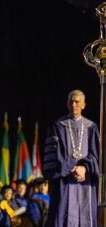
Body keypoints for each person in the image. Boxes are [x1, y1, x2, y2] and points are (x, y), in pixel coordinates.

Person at [43, 89, 99, 227]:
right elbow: (53, 155)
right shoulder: (58, 126)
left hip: (86, 182)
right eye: (71, 101)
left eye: (77, 102)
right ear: (67, 104)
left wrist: (85, 168)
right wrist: (72, 167)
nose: (74, 105)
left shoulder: (92, 127)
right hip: (64, 181)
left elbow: (97, 155)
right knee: (62, 215)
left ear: (84, 105)